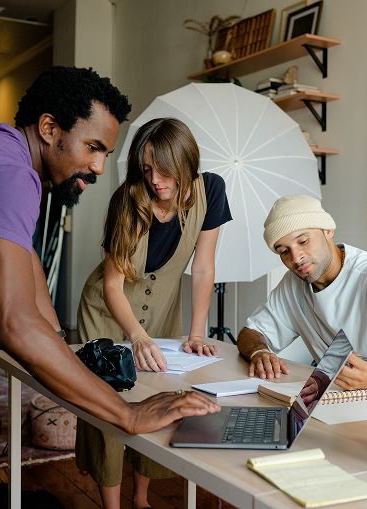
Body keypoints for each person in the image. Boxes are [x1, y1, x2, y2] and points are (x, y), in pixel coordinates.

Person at [0, 68, 219, 509]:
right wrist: (127, 413)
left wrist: (60, 345)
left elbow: (27, 261)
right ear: (49, 129)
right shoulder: (9, 174)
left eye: (105, 153)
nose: (99, 167)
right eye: (92, 147)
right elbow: (15, 326)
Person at [76, 117, 232, 509]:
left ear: (185, 163)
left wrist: (197, 333)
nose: (155, 180)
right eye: (146, 170)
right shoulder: (127, 200)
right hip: (108, 313)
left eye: (163, 170)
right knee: (110, 403)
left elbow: (203, 268)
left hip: (163, 309)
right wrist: (137, 336)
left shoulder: (211, 190)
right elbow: (112, 285)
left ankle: (141, 500)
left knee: (161, 397)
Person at [236, 194, 367, 391]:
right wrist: (259, 352)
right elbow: (250, 333)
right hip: (332, 400)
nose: (296, 257)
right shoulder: (293, 284)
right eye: (284, 251)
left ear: (328, 230)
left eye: (303, 241)